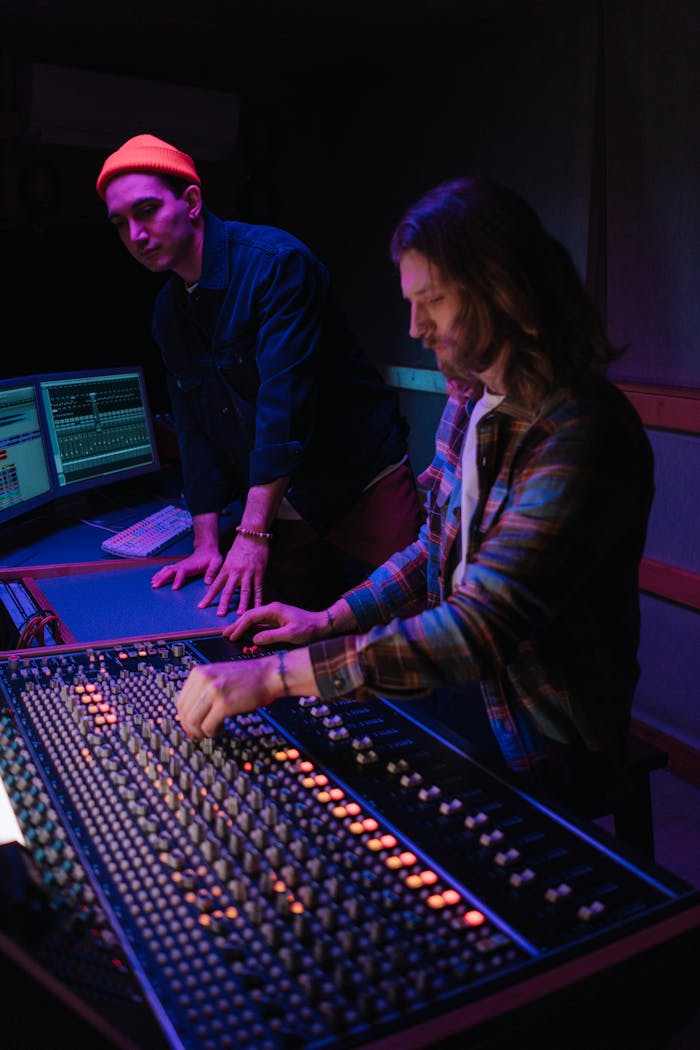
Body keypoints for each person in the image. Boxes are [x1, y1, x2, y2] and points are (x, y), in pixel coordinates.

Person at [174, 175, 655, 815]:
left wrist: (275, 676)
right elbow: (434, 542)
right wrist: (329, 620)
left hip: (544, 736)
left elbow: (478, 628)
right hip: (464, 687)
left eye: (432, 301)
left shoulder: (580, 434)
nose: (416, 326)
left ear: (501, 289)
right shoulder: (470, 395)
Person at [95, 134, 423, 615]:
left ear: (191, 202)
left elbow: (283, 407)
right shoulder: (168, 312)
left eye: (146, 211)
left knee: (411, 619)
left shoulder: (277, 264)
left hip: (359, 482)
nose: (136, 235)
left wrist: (251, 534)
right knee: (275, 637)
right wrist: (206, 541)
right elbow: (194, 430)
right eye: (120, 223)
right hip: (279, 502)